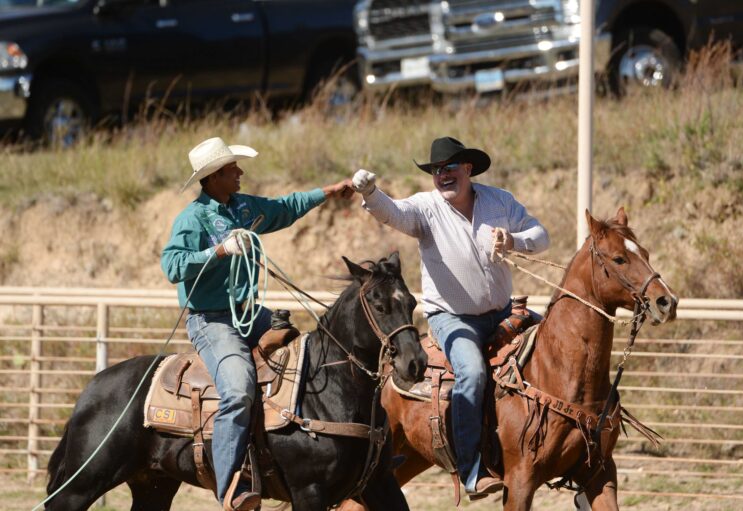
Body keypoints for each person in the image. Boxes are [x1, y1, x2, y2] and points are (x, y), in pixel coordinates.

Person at [351, 136, 550, 498]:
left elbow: (540, 235)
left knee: (556, 343)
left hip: (505, 311)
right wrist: (371, 194)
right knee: (471, 373)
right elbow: (393, 213)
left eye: (450, 168)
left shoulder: (500, 201)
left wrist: (514, 241)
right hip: (452, 317)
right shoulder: (426, 209)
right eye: (436, 170)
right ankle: (472, 470)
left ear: (468, 170)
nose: (442, 175)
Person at [161, 136, 353, 511]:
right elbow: (172, 265)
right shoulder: (191, 219)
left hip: (248, 311)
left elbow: (284, 208)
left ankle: (300, 448)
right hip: (212, 320)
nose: (240, 173)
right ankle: (231, 484)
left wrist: (327, 192)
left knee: (307, 351)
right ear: (215, 176)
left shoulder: (244, 207)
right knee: (237, 389)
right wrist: (217, 250)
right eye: (233, 168)